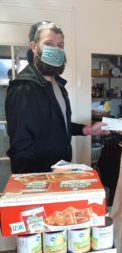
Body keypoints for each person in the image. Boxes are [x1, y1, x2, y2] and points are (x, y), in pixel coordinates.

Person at [5, 21, 107, 174]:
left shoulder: (58, 86)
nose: (56, 49)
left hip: (60, 171)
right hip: (39, 178)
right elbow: (20, 147)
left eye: (60, 45)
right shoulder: (23, 88)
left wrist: (88, 130)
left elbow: (58, 125)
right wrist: (30, 186)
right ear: (34, 47)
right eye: (49, 43)